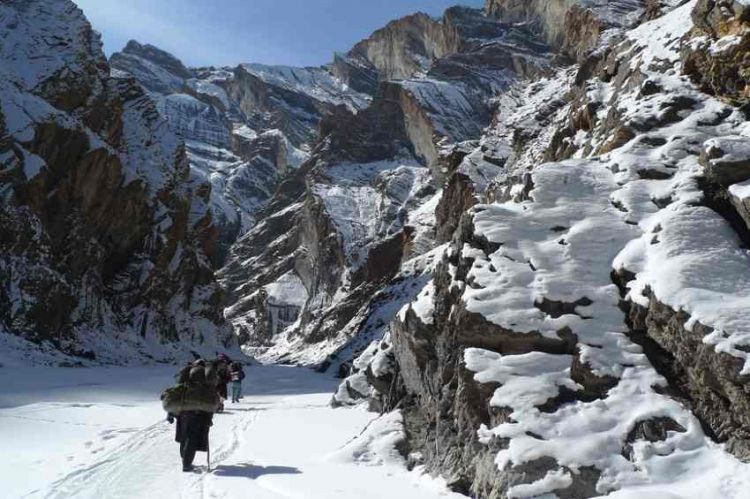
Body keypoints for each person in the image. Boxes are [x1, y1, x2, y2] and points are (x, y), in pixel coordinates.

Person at [164, 360, 218, 472]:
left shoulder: (186, 382)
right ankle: (186, 464)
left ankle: (185, 459)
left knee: (185, 436)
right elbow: (213, 400)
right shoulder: (206, 384)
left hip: (183, 412)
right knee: (191, 438)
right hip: (199, 413)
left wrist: (172, 412)